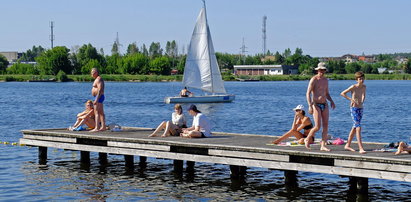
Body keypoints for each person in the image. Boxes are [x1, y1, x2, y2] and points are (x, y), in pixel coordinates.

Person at [305, 62, 336, 151]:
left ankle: (323, 145)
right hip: (316, 104)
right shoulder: (314, 79)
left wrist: (332, 101)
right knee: (317, 126)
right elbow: (308, 93)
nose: (322, 72)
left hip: (324, 104)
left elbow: (326, 93)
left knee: (325, 126)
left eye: (323, 70)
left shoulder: (325, 80)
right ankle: (308, 138)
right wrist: (310, 105)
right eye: (320, 70)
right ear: (317, 70)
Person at [340, 71, 367, 154]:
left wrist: (362, 100)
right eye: (360, 79)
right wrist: (351, 99)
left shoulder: (364, 87)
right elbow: (342, 93)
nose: (361, 80)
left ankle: (347, 145)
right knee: (358, 127)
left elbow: (363, 94)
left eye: (362, 79)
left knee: (355, 127)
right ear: (356, 80)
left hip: (360, 108)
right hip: (354, 108)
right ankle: (360, 148)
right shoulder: (353, 86)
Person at [90, 68, 106, 132]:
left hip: (99, 97)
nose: (91, 74)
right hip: (98, 97)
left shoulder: (99, 79)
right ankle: (103, 126)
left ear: (96, 72)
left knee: (96, 112)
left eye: (92, 72)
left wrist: (96, 99)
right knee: (101, 113)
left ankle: (97, 127)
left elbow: (100, 89)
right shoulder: (97, 79)